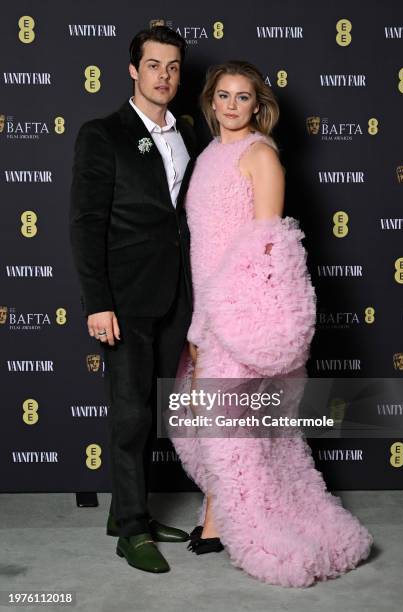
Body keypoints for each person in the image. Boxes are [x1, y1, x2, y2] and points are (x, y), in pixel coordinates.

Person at [170, 60, 373, 587]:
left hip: (241, 313)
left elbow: (267, 249)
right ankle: (217, 515)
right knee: (210, 424)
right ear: (211, 102)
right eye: (224, 96)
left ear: (258, 105)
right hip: (207, 309)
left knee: (235, 427)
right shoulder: (211, 154)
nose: (233, 106)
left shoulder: (262, 156)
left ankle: (233, 524)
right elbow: (205, 247)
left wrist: (223, 318)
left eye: (244, 98)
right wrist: (199, 319)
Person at [69, 25, 196, 574]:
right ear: (132, 70)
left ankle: (128, 510)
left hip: (175, 295)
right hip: (124, 299)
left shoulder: (188, 131)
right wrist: (98, 303)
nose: (163, 76)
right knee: (129, 416)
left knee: (152, 410)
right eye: (153, 66)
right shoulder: (103, 133)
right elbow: (85, 223)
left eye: (172, 66)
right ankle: (132, 531)